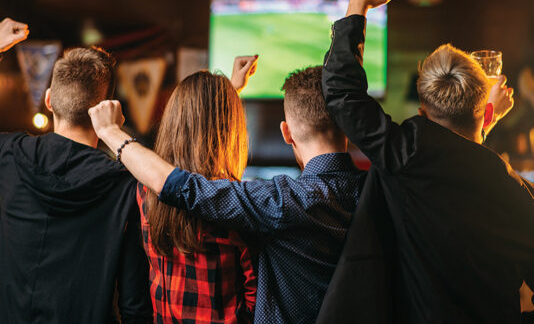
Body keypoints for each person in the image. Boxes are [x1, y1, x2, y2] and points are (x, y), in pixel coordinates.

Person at [317, 0, 534, 323]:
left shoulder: (404, 154)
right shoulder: (518, 194)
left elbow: (343, 92)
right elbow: (465, 160)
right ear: (487, 113)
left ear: (422, 113)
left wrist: (358, 3)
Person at [88, 65, 367, 324]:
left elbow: (177, 184)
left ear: (287, 132)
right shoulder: (369, 190)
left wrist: (110, 131)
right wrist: (224, 102)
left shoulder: (144, 193)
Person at [0, 40, 152, 324]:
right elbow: (135, 304)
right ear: (107, 109)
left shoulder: (7, 154)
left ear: (48, 100)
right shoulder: (125, 186)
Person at [136, 68, 257, 323]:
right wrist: (225, 101)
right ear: (230, 128)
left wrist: (226, 93)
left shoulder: (145, 190)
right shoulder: (234, 199)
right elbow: (255, 296)